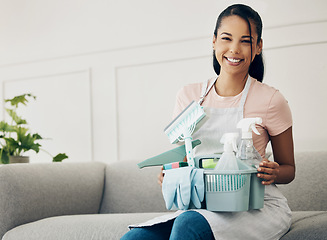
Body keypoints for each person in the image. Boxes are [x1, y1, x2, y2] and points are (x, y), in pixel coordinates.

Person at [121, 3, 295, 240]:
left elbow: (289, 169)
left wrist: (274, 173)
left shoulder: (271, 100)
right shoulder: (189, 96)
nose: (234, 49)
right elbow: (186, 158)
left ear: (258, 47)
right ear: (213, 41)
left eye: (245, 41)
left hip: (256, 206)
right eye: (226, 38)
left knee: (189, 225)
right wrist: (172, 173)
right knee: (136, 238)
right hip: (203, 204)